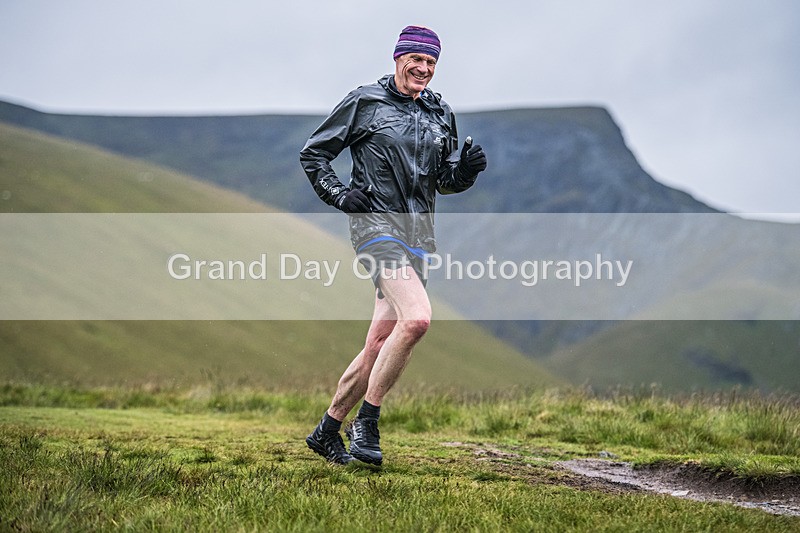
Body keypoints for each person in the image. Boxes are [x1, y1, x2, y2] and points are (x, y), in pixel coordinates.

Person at [299, 25, 487, 465]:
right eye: (415, 59)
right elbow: (314, 153)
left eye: (431, 63)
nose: (423, 69)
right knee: (418, 319)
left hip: (419, 235)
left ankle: (327, 431)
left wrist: (467, 173)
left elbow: (442, 180)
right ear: (398, 58)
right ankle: (368, 421)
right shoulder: (365, 101)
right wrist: (339, 194)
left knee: (380, 342)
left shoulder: (441, 112)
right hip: (374, 227)